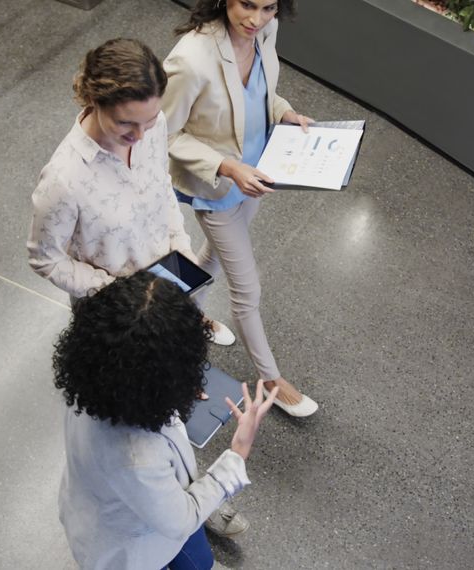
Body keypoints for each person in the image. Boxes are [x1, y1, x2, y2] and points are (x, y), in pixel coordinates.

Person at [54, 271, 278, 570]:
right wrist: (237, 453)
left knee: (199, 560)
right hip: (133, 549)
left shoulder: (92, 386)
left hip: (107, 507)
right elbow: (180, 520)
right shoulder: (137, 456)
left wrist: (172, 394)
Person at [162, 0, 318, 417]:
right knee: (246, 288)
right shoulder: (190, 60)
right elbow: (164, 133)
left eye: (268, 7)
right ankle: (271, 378)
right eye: (246, 5)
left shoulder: (264, 31)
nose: (256, 19)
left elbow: (260, 93)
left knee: (211, 257)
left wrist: (283, 112)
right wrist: (228, 166)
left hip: (255, 178)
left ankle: (181, 316)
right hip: (217, 186)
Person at [26, 37, 234, 346]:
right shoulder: (64, 179)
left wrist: (182, 251)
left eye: (147, 121)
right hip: (116, 310)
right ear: (94, 101)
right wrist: (117, 291)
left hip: (166, 278)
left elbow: (162, 188)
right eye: (125, 123)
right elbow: (46, 259)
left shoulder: (155, 125)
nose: (139, 136)